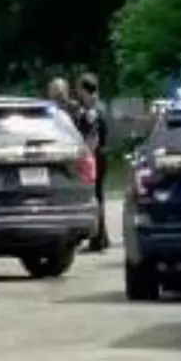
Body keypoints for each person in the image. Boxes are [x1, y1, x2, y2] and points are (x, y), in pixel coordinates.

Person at [75, 73, 109, 252]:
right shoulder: (99, 106)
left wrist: (86, 156)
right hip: (100, 155)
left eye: (79, 89)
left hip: (95, 156)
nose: (78, 93)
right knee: (98, 196)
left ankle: (98, 238)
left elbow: (92, 137)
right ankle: (101, 236)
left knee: (94, 196)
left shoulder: (93, 110)